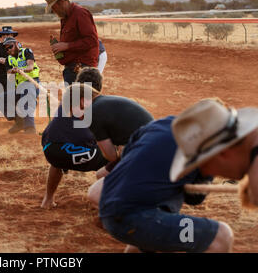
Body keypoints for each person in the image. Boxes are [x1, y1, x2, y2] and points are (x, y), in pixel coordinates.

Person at [88, 99, 258, 253]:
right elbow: (195, 198)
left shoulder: (161, 125)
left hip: (114, 206)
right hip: (130, 217)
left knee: (154, 223)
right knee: (220, 237)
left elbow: (127, 156)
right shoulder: (199, 154)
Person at [41, 68, 110, 209]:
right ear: (98, 88)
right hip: (76, 153)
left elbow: (50, 132)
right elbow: (89, 138)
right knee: (115, 159)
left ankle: (48, 199)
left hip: (51, 151)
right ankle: (103, 203)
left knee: (58, 157)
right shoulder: (94, 104)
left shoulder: (68, 99)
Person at [43, 0, 99, 85]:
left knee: (80, 100)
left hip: (82, 70)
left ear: (62, 1)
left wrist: (66, 46)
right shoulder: (65, 17)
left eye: (54, 7)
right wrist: (60, 46)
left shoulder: (80, 13)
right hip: (72, 69)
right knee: (74, 100)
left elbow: (92, 40)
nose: (54, 11)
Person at [3, 37, 40, 134]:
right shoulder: (8, 59)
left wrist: (20, 69)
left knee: (26, 100)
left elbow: (30, 67)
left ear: (16, 44)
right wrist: (13, 70)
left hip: (31, 83)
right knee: (1, 98)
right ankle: (19, 123)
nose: (9, 50)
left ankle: (30, 128)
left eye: (10, 47)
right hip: (19, 87)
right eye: (6, 49)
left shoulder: (26, 51)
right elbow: (8, 72)